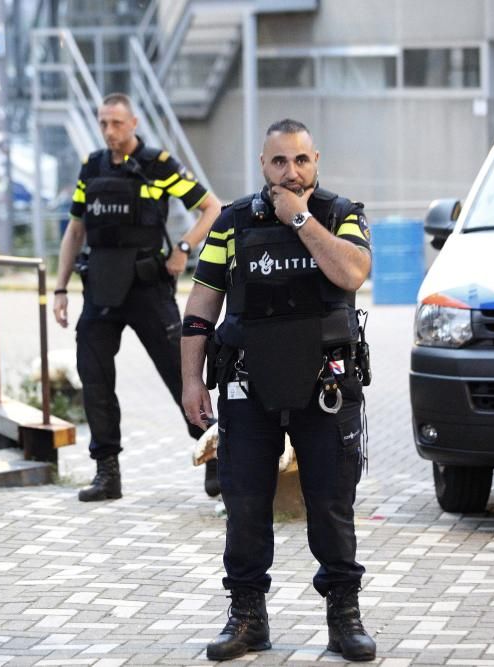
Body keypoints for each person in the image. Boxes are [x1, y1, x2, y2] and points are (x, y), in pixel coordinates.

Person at [180, 119, 376, 662]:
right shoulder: (231, 223)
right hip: (247, 384)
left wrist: (301, 220)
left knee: (331, 504)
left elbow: (352, 273)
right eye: (278, 162)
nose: (291, 172)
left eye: (301, 161)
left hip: (326, 386)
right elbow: (200, 309)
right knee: (243, 504)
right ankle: (247, 619)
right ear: (262, 165)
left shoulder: (343, 215)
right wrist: (191, 382)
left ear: (317, 161)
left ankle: (344, 617)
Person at [53, 93, 223, 502]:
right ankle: (107, 473)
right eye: (103, 124)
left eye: (116, 123)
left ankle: (216, 458)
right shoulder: (91, 168)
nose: (109, 131)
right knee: (94, 379)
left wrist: (184, 248)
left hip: (148, 287)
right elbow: (75, 230)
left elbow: (211, 208)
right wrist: (59, 288)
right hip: (101, 289)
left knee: (182, 374)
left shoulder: (158, 164)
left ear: (134, 122)